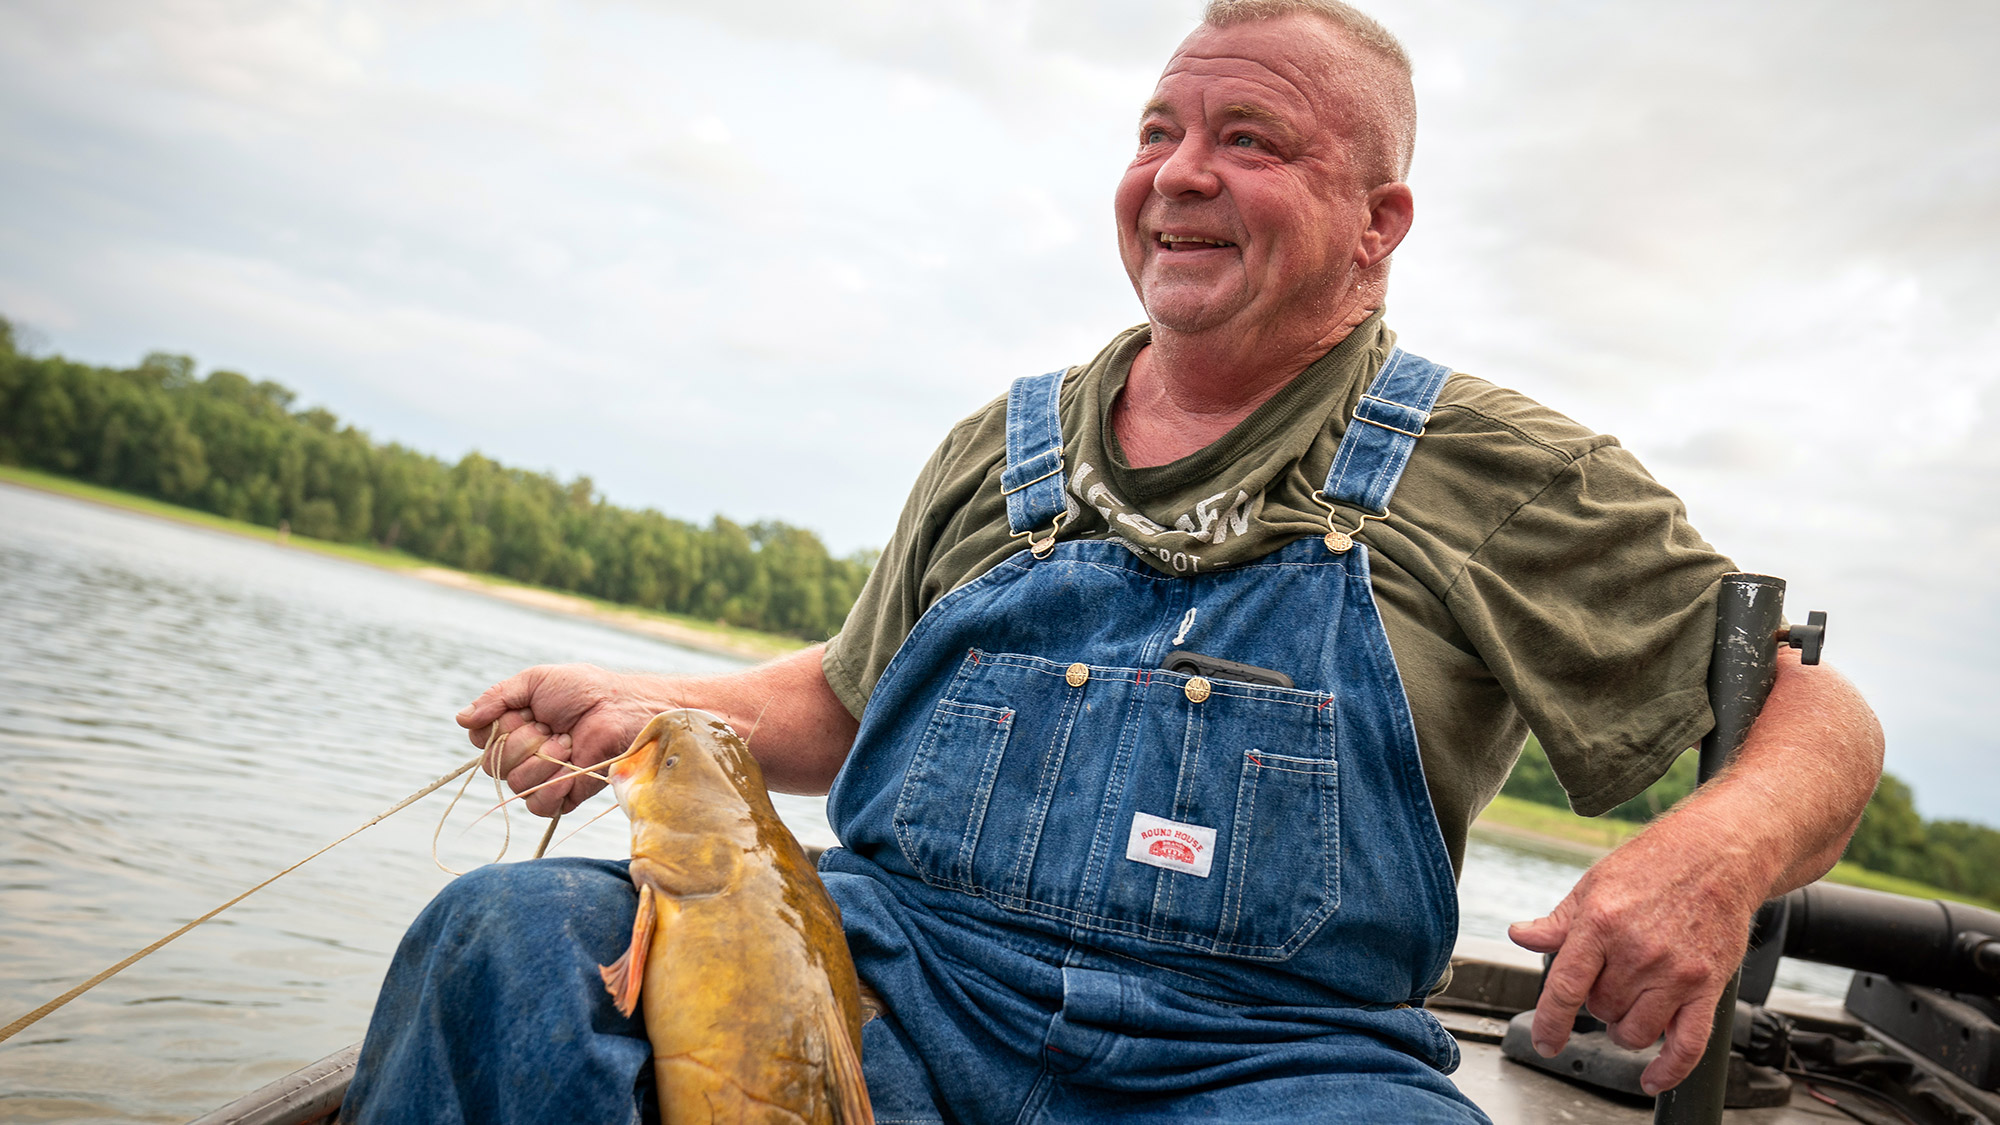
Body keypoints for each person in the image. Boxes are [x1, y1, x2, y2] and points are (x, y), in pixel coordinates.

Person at [341, 1, 1884, 1121]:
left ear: (1378, 219)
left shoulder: (1504, 474)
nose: (1182, 172)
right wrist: (641, 705)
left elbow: (1820, 720)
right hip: (898, 996)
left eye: (1250, 141)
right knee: (507, 935)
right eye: (1159, 132)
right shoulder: (999, 453)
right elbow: (841, 699)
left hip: (1264, 1067)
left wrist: (1713, 856)